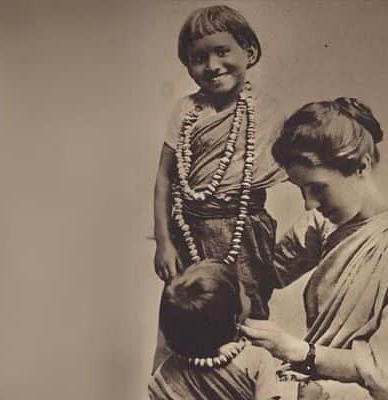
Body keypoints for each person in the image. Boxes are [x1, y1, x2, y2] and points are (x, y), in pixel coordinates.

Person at [240, 98, 388, 399]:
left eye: (318, 187)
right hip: (317, 387)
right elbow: (263, 275)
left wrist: (297, 350)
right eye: (300, 189)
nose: (309, 203)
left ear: (362, 166)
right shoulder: (321, 225)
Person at [152, 5, 286, 366]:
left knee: (248, 317)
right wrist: (164, 242)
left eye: (222, 51)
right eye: (198, 58)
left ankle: (253, 383)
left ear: (250, 52)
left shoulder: (268, 112)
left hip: (244, 233)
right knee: (185, 320)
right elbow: (165, 178)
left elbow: (303, 163)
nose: (211, 65)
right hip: (189, 231)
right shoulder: (184, 111)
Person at [149, 260, 328, 400]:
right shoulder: (255, 359)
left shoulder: (163, 375)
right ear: (235, 318)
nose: (247, 294)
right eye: (243, 294)